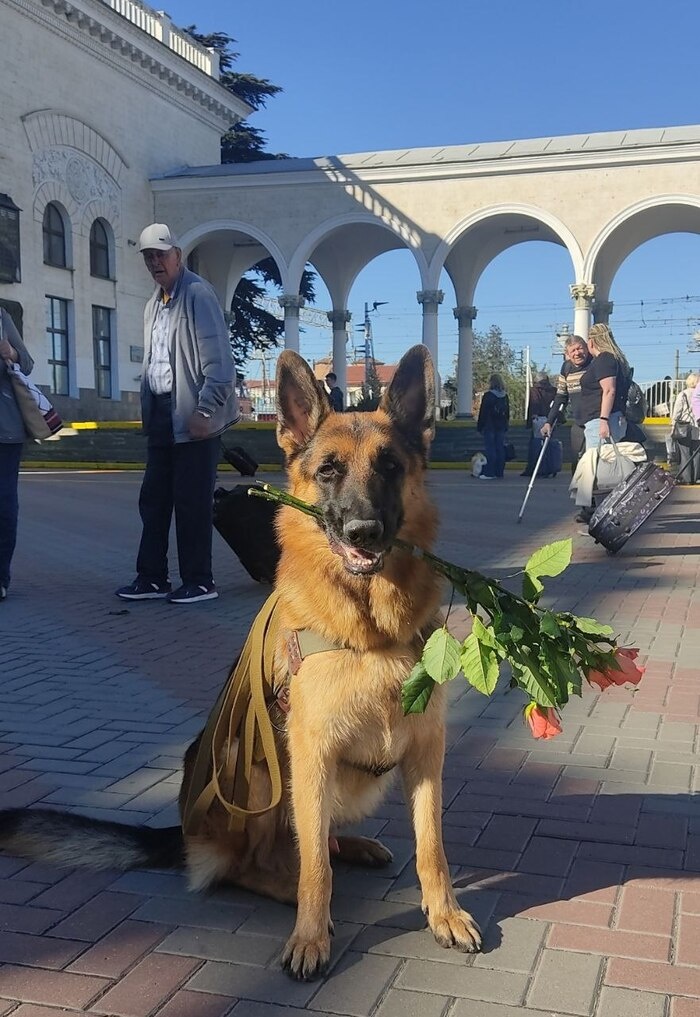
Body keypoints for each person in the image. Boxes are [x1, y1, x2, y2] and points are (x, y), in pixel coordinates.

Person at [116, 224, 238, 605]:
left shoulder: (198, 295)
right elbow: (155, 361)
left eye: (161, 254)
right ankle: (152, 578)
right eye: (149, 256)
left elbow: (220, 364)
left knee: (191, 502)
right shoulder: (153, 303)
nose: (155, 262)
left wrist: (204, 410)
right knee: (153, 500)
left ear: (177, 255)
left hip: (194, 419)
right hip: (162, 418)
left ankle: (200, 581)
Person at [0, 308, 34, 602]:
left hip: (4, 431)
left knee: (3, 503)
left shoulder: (1, 318)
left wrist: (10, 352)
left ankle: (0, 577)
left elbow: (27, 362)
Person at [541, 335, 593, 474]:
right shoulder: (566, 368)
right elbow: (560, 397)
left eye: (579, 348)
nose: (577, 353)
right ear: (568, 354)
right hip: (579, 421)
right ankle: (578, 492)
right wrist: (549, 422)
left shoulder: (595, 365)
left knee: (594, 460)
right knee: (576, 460)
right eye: (573, 351)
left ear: (587, 348)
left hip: (596, 420)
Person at [521, 371, 557, 477]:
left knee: (536, 444)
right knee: (549, 445)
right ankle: (551, 468)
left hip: (538, 420)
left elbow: (534, 404)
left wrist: (532, 417)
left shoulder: (535, 390)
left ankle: (535, 469)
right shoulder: (553, 390)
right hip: (551, 420)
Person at [476, 373, 509, 479]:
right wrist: (506, 425)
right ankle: (499, 472)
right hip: (501, 426)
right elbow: (507, 413)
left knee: (490, 449)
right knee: (500, 449)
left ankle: (489, 472)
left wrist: (480, 426)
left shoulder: (488, 396)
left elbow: (483, 413)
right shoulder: (505, 396)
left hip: (489, 426)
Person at [671, 373, 700, 484]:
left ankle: (687, 479)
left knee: (685, 453)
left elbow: (677, 412)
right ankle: (696, 477)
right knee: (696, 454)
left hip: (684, 428)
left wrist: (673, 426)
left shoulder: (683, 394)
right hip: (697, 427)